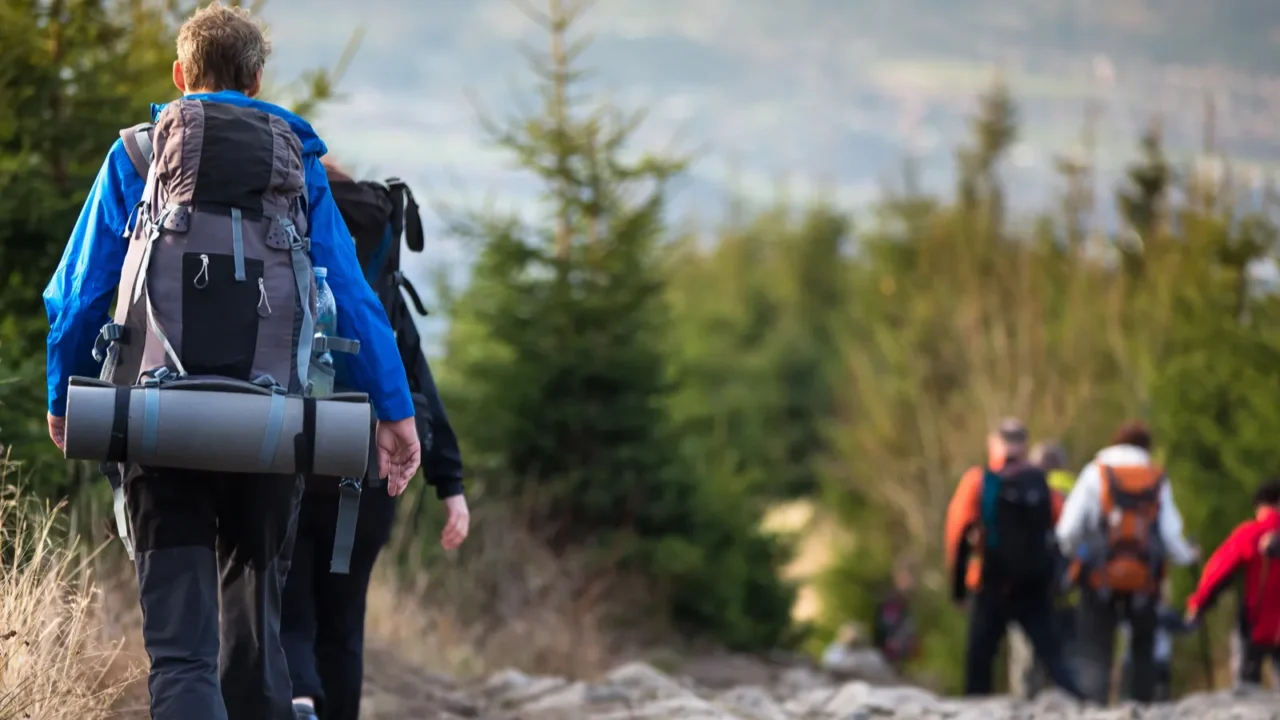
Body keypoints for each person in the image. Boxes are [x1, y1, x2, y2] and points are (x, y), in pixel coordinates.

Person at [42, 5, 421, 719]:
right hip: (270, 434)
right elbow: (353, 294)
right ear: (255, 79)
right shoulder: (296, 162)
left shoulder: (138, 156)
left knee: (183, 656)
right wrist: (395, 415)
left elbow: (77, 291)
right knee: (256, 650)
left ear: (181, 74)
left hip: (161, 427)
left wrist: (64, 393)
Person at [283, 161, 470, 720]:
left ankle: (296, 701)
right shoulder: (378, 272)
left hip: (283, 457)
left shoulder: (274, 230)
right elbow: (415, 378)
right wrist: (450, 483)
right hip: (367, 471)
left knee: (288, 613)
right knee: (342, 628)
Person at [1055, 421, 1198, 704]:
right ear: (1146, 446)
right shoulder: (1156, 476)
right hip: (1145, 577)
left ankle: (1094, 707)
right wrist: (1188, 556)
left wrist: (1075, 555)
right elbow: (1170, 533)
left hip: (1099, 576)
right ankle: (1139, 707)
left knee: (1095, 647)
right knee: (1143, 647)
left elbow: (1068, 530)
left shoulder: (1095, 472)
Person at [945, 418, 1082, 698]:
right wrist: (1061, 577)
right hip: (1034, 585)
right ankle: (1080, 708)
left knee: (979, 661)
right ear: (1024, 445)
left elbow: (957, 534)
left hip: (989, 583)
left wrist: (958, 589)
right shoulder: (1042, 484)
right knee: (1054, 658)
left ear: (993, 443)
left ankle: (975, 711)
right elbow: (1067, 533)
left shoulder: (979, 481)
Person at [1185, 477, 1280, 688]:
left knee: (1247, 689)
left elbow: (1219, 572)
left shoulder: (1250, 533)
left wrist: (1199, 604)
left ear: (1259, 505)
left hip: (1254, 622)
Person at [1007, 440, 1076, 699]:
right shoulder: (1076, 488)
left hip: (1028, 585)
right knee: (1066, 655)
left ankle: (1023, 705)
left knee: (1025, 658)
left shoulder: (1020, 486)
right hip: (1069, 589)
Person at [871, 557, 920, 673]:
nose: (912, 581)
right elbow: (886, 633)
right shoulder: (892, 602)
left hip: (899, 661)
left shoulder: (906, 603)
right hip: (887, 660)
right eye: (908, 577)